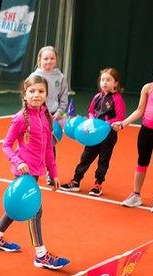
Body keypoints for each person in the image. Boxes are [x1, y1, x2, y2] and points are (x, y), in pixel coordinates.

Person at [0, 75, 70, 270]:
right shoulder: (19, 118)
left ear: (47, 94)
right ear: (25, 94)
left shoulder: (45, 116)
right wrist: (18, 161)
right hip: (23, 172)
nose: (36, 95)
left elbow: (49, 148)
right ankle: (41, 255)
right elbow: (6, 145)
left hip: (36, 172)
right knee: (35, 211)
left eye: (40, 91)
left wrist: (54, 172)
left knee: (16, 207)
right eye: (32, 91)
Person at [59, 68, 125, 197]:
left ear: (116, 83)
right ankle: (76, 181)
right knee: (86, 157)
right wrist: (91, 120)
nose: (105, 82)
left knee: (103, 160)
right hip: (92, 134)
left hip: (108, 135)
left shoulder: (117, 99)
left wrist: (106, 124)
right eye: (102, 80)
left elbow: (120, 117)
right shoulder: (97, 97)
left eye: (108, 80)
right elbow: (90, 111)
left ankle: (98, 185)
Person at [112, 56, 153, 214]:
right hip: (146, 131)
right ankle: (136, 195)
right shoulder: (148, 88)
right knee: (142, 162)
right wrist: (123, 123)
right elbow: (139, 110)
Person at [30, 46, 68, 185]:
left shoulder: (60, 77)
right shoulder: (34, 77)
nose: (49, 61)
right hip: (36, 115)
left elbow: (63, 100)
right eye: (45, 58)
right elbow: (27, 97)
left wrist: (58, 114)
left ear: (56, 60)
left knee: (50, 146)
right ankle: (31, 171)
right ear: (39, 60)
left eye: (52, 58)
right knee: (34, 144)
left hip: (53, 117)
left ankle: (51, 174)